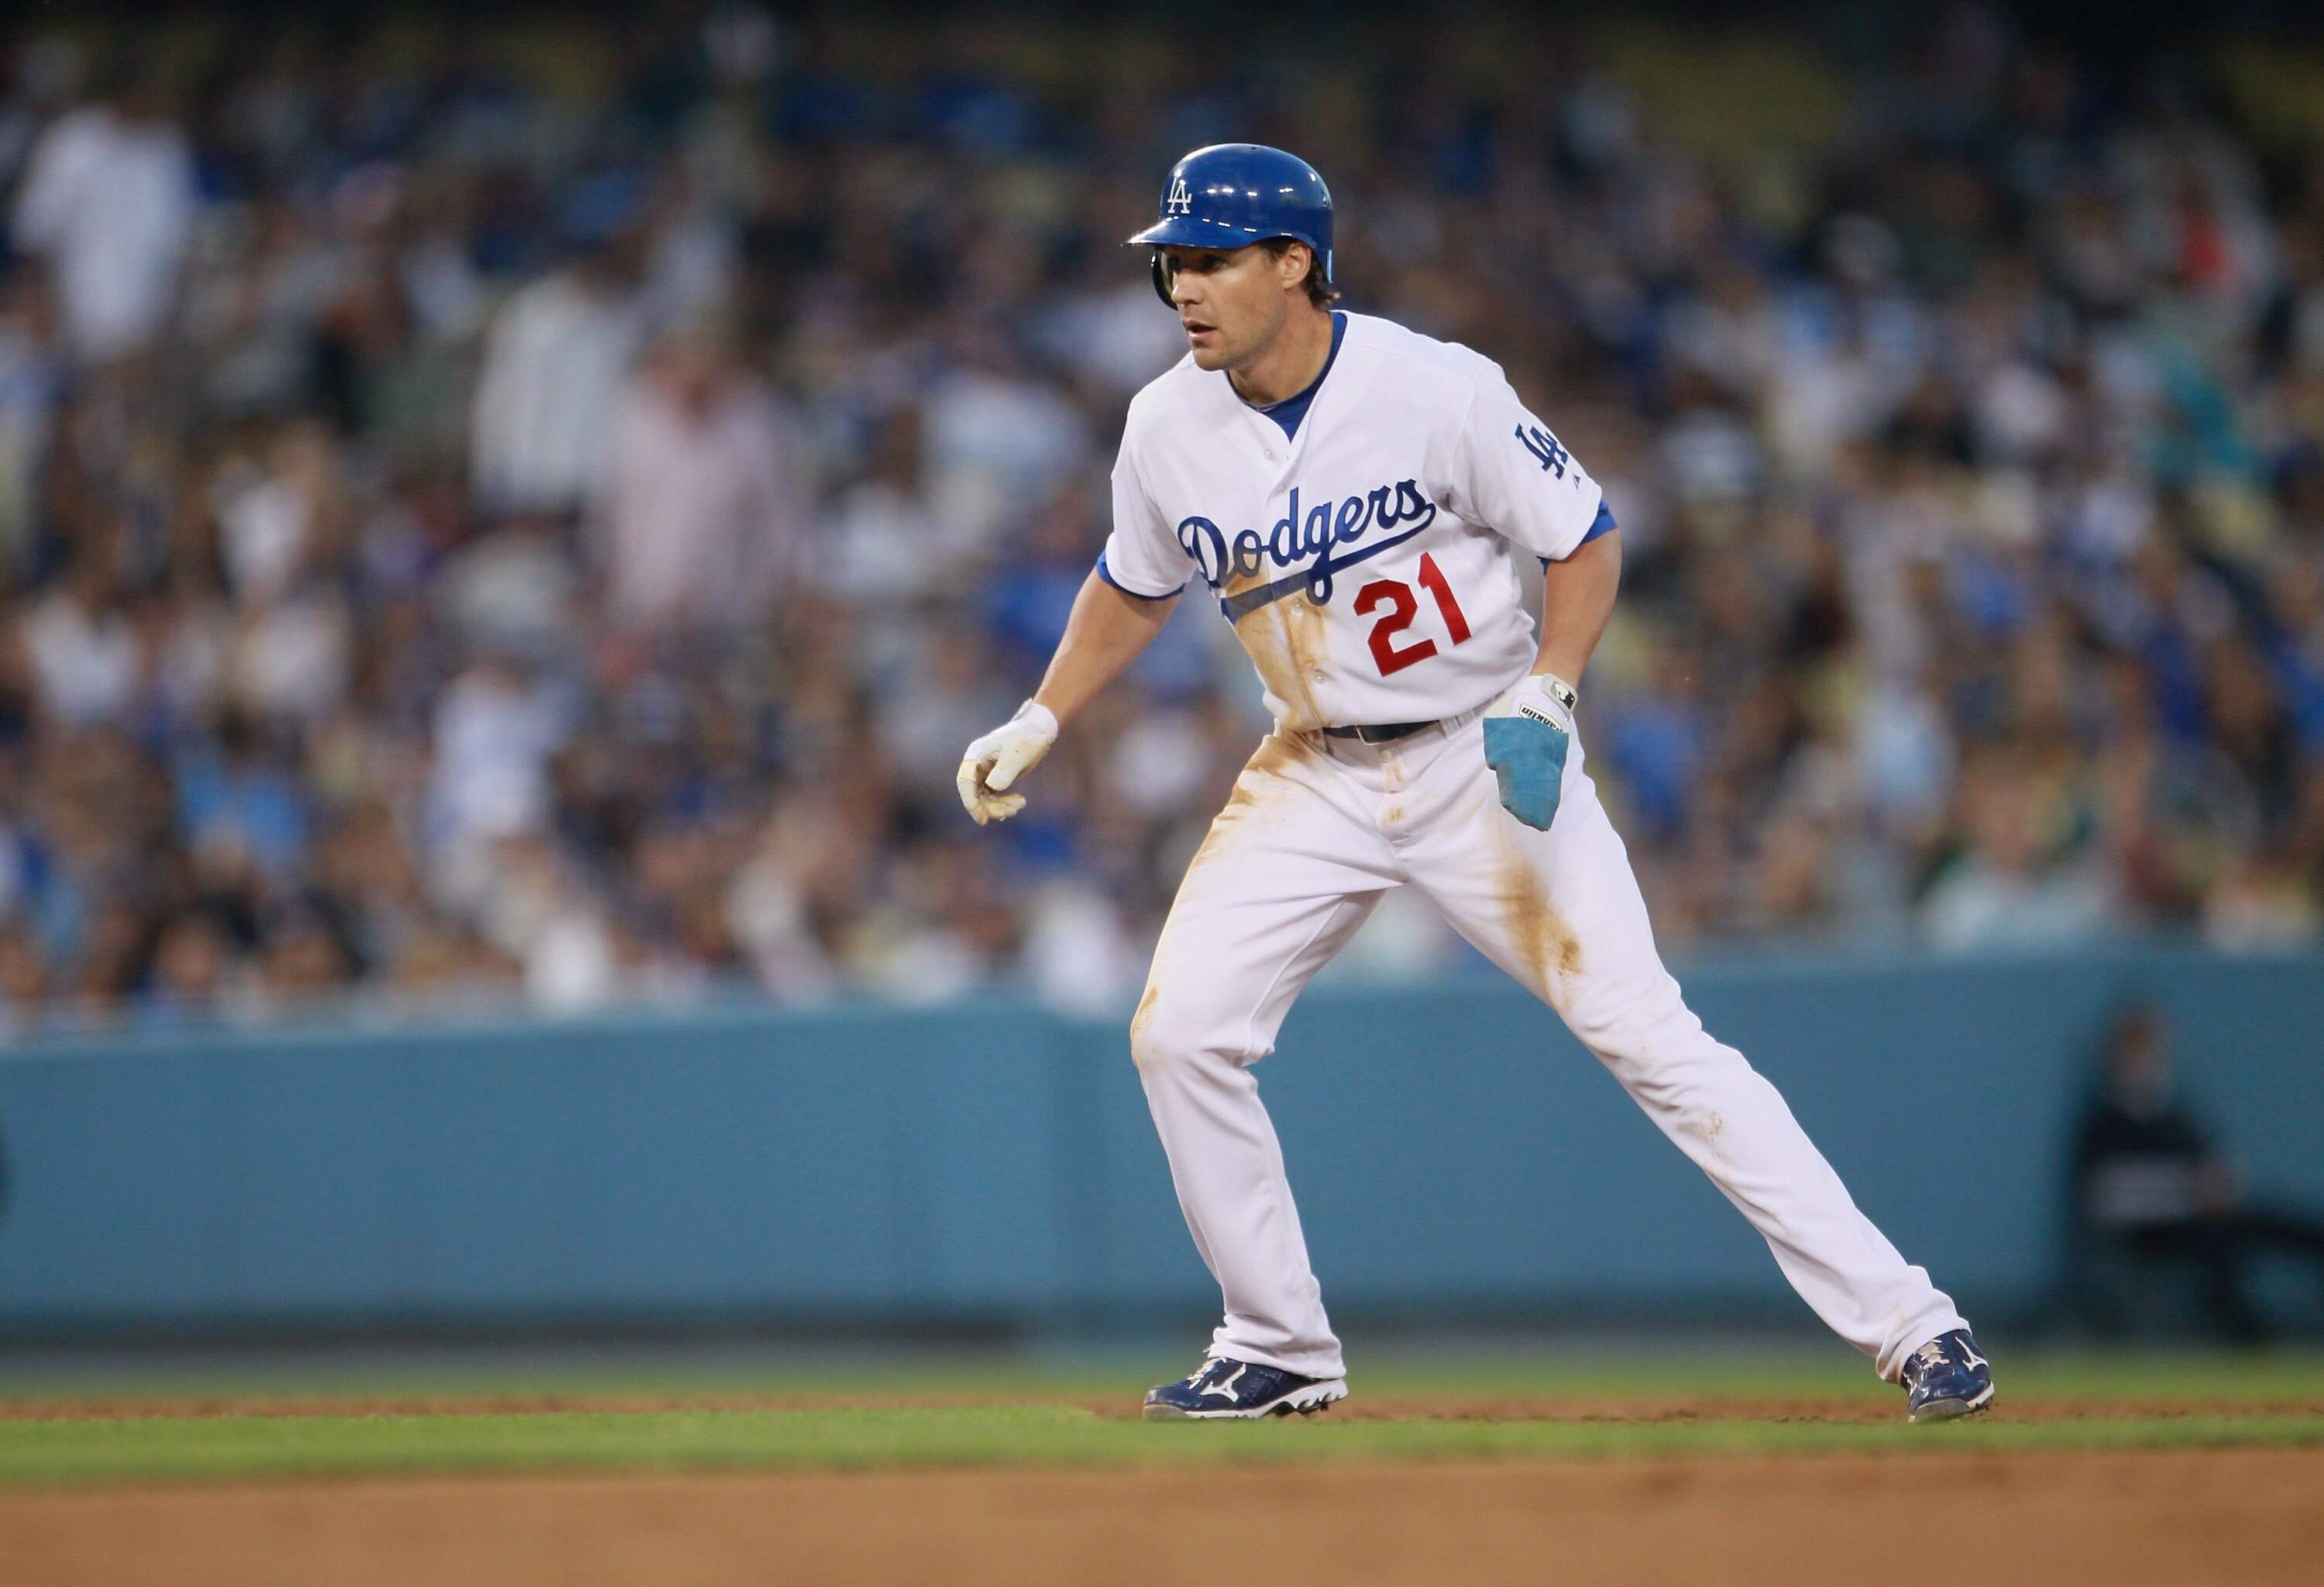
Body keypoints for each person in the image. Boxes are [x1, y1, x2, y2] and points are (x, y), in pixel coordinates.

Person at [957, 145, 1994, 1424]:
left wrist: (1550, 685)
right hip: (1311, 766)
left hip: (1474, 750)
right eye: (1175, 260)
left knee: (1648, 1033)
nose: (1185, 284)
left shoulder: (1434, 387)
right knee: (1179, 1030)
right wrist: (1043, 711)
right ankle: (1279, 1342)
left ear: (1297, 264)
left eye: (1216, 257)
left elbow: (1583, 537)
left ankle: (1914, 1321)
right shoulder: (1165, 425)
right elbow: (1132, 579)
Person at [2066, 1001, 2324, 1341]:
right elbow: (2103, 1196)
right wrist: (2186, 1191)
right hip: (2148, 1233)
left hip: (2203, 1215)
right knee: (2219, 1238)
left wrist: (2218, 1184)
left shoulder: (2175, 1112)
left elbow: (2211, 1164)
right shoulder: (2103, 1119)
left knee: (2280, 1226)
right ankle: (2243, 1332)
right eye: (2134, 1046)